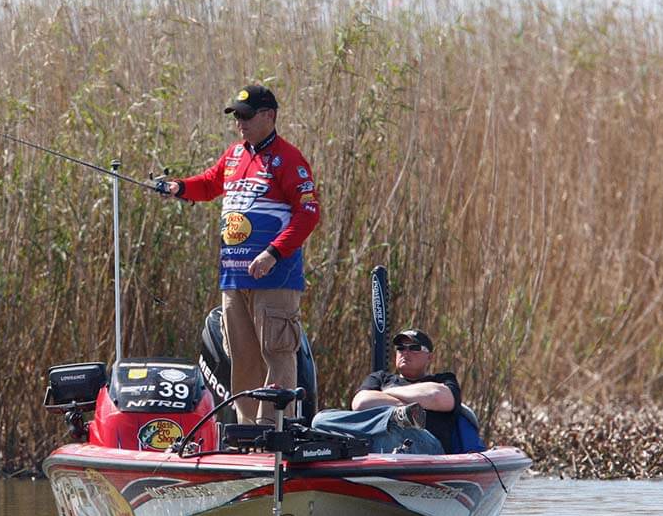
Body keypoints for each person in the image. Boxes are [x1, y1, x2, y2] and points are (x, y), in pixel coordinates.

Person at [159, 85, 320, 424]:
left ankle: (274, 431)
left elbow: (309, 213)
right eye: (236, 117)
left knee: (276, 352)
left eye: (246, 117)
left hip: (274, 277)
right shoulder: (234, 155)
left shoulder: (288, 159)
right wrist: (178, 187)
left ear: (269, 116)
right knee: (243, 358)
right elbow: (208, 184)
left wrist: (273, 253)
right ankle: (247, 434)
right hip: (233, 277)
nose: (240, 123)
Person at [313, 329, 461, 453]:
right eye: (401, 348)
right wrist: (402, 409)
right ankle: (396, 416)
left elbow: (437, 397)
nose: (406, 352)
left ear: (430, 357)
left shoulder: (443, 379)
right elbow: (361, 402)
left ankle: (396, 418)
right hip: (377, 442)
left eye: (414, 348)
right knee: (319, 420)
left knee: (395, 425)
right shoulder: (381, 377)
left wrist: (388, 393)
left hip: (425, 448)